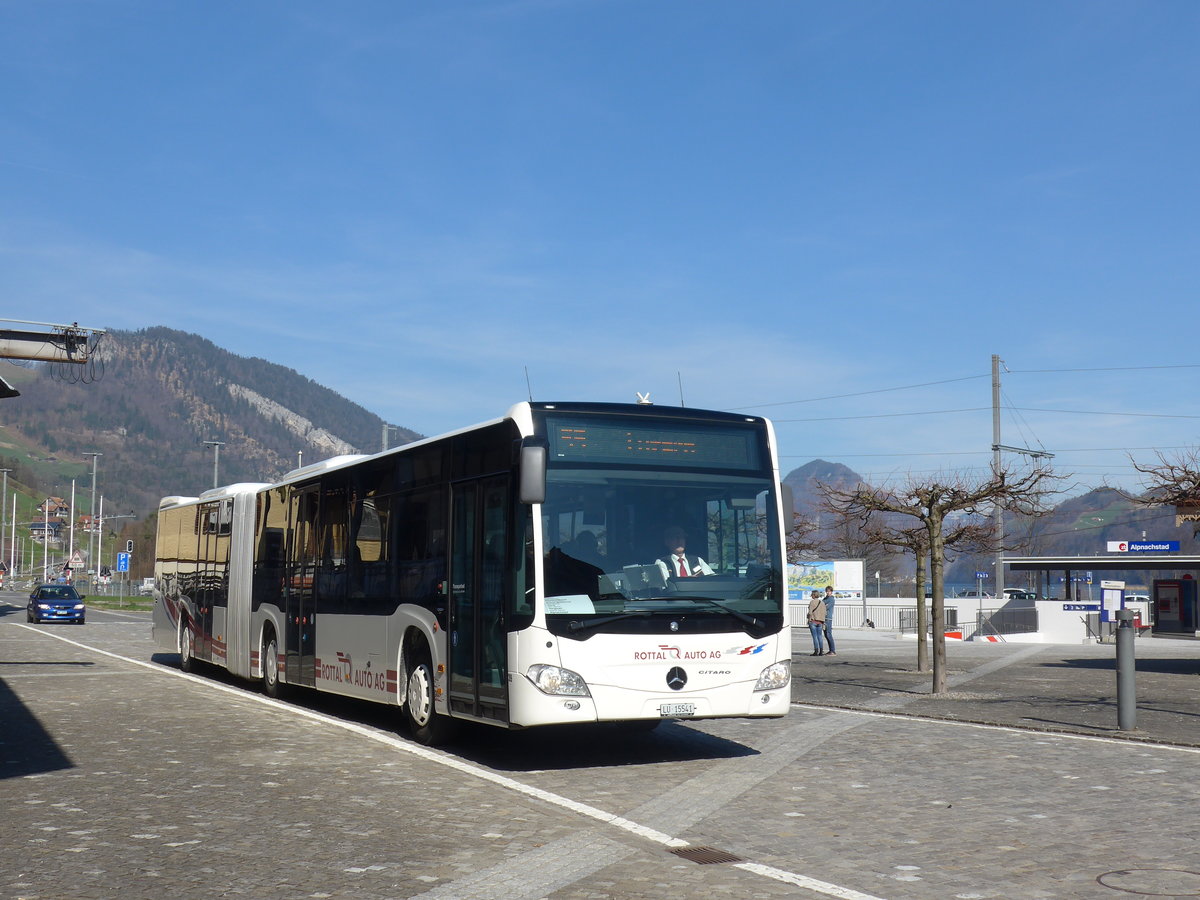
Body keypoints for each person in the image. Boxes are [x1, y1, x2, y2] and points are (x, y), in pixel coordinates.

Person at [807, 589, 826, 656]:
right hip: (820, 622)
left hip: (813, 621)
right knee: (820, 636)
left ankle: (816, 651)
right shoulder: (822, 603)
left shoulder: (812, 602)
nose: (811, 596)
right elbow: (824, 612)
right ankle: (821, 651)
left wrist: (809, 619)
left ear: (814, 595)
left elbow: (810, 612)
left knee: (815, 637)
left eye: (812, 594)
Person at [823, 585, 837, 656]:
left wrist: (823, 606)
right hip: (823, 618)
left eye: (829, 591)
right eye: (827, 591)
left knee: (829, 634)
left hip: (828, 618)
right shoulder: (825, 598)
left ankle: (833, 650)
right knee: (826, 634)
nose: (828, 593)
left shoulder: (831, 599)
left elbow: (826, 607)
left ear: (831, 592)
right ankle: (830, 650)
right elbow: (822, 605)